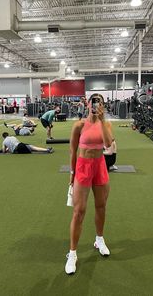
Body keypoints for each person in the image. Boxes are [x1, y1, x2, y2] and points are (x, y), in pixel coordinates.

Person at [65, 93, 113, 275]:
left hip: (100, 166)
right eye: (94, 101)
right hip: (83, 167)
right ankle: (72, 254)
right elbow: (72, 151)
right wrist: (72, 173)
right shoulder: (78, 125)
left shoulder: (106, 124)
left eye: (99, 102)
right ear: (87, 104)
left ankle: (99, 240)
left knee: (101, 206)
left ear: (102, 105)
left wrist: (101, 119)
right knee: (79, 211)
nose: (96, 105)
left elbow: (108, 144)